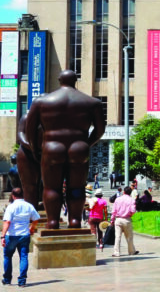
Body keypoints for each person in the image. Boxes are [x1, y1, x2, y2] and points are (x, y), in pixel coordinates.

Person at [24, 70, 106, 228]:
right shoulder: (91, 102)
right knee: (77, 187)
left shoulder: (42, 102)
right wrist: (87, 143)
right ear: (76, 80)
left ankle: (53, 221)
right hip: (79, 147)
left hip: (52, 146)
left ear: (59, 79)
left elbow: (30, 130)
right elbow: (100, 130)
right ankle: (75, 221)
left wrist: (35, 149)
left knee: (51, 187)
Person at [1, 187, 40, 286]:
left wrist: (2, 236)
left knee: (7, 256)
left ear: (13, 196)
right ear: (23, 195)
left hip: (11, 235)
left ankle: (7, 279)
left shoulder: (11, 207)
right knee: (23, 257)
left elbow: (7, 222)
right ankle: (22, 281)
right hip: (24, 235)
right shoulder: (29, 206)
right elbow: (36, 218)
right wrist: (32, 228)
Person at [109, 186, 139, 257]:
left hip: (118, 219)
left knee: (117, 237)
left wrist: (112, 220)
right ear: (130, 193)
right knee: (129, 237)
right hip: (127, 219)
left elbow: (114, 211)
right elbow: (133, 211)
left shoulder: (117, 199)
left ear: (124, 192)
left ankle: (116, 252)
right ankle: (131, 251)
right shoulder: (131, 200)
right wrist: (130, 215)